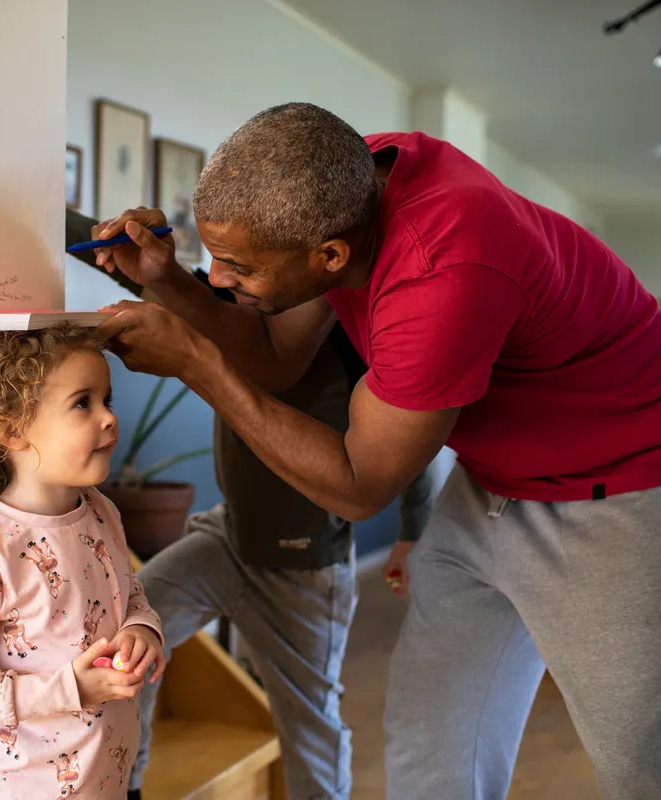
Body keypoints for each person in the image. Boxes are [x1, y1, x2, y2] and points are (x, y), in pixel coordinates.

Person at [90, 103, 661, 800]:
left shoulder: (441, 270)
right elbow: (274, 358)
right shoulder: (346, 187)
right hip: (492, 484)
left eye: (238, 266)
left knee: (651, 776)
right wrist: (166, 280)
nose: (217, 278)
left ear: (329, 255)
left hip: (624, 487)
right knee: (434, 758)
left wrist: (197, 365)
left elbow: (359, 484)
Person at [66, 206, 438, 800]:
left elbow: (410, 448)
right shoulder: (232, 314)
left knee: (308, 724)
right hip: (228, 537)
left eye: (240, 268)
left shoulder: (356, 343)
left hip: (304, 569)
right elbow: (158, 279)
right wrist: (48, 213)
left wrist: (414, 532)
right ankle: (126, 788)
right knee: (126, 634)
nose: (222, 279)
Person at [0, 326, 166, 799]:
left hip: (106, 778)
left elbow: (129, 595)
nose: (109, 418)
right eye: (82, 403)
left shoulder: (101, 512)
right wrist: (69, 690)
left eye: (107, 400)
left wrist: (140, 631)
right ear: (10, 428)